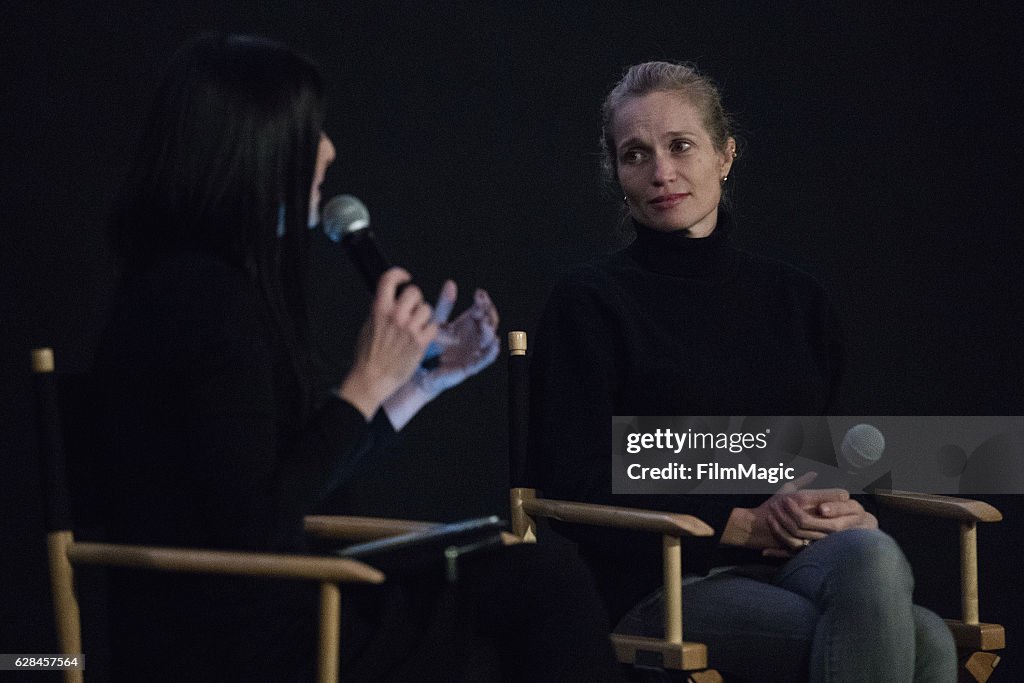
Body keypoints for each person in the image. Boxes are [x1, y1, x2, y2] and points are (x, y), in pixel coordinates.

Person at [94, 34, 620, 681]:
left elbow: (294, 476)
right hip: (238, 637)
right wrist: (366, 383)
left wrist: (419, 381)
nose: (329, 150)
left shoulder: (192, 284)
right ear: (253, 148)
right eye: (309, 131)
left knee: (528, 575)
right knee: (543, 582)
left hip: (272, 604)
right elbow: (257, 524)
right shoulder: (203, 300)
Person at [529, 61, 957, 682]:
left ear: (725, 156)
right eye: (636, 155)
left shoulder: (796, 300)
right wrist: (741, 522)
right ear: (616, 173)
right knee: (924, 640)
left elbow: (830, 453)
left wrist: (850, 506)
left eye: (681, 146)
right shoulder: (590, 301)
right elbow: (572, 476)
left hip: (798, 561)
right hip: (667, 579)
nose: (662, 173)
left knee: (876, 556)